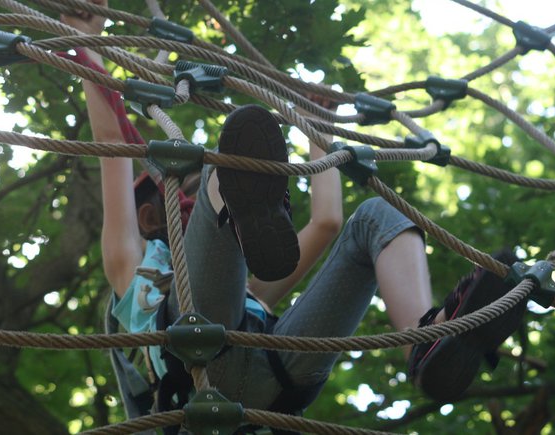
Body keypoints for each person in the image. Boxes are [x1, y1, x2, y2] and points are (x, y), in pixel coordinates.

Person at [61, 2, 527, 431]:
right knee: (221, 169)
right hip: (196, 377)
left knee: (377, 217)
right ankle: (241, 190)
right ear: (151, 217)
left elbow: (327, 222)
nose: (187, 190)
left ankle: (425, 342)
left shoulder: (249, 287)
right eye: (181, 187)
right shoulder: (131, 266)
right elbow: (114, 150)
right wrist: (85, 42)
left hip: (273, 378)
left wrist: (313, 127)